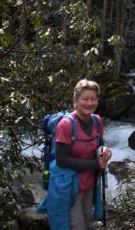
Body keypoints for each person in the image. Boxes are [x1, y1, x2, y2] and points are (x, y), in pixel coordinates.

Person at [54, 79, 112, 230]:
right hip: (70, 185)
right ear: (76, 101)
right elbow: (61, 159)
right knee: (76, 225)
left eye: (93, 99)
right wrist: (95, 164)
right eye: (85, 99)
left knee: (87, 221)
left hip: (88, 183)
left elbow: (100, 143)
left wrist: (105, 150)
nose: (89, 103)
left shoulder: (96, 120)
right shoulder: (66, 125)